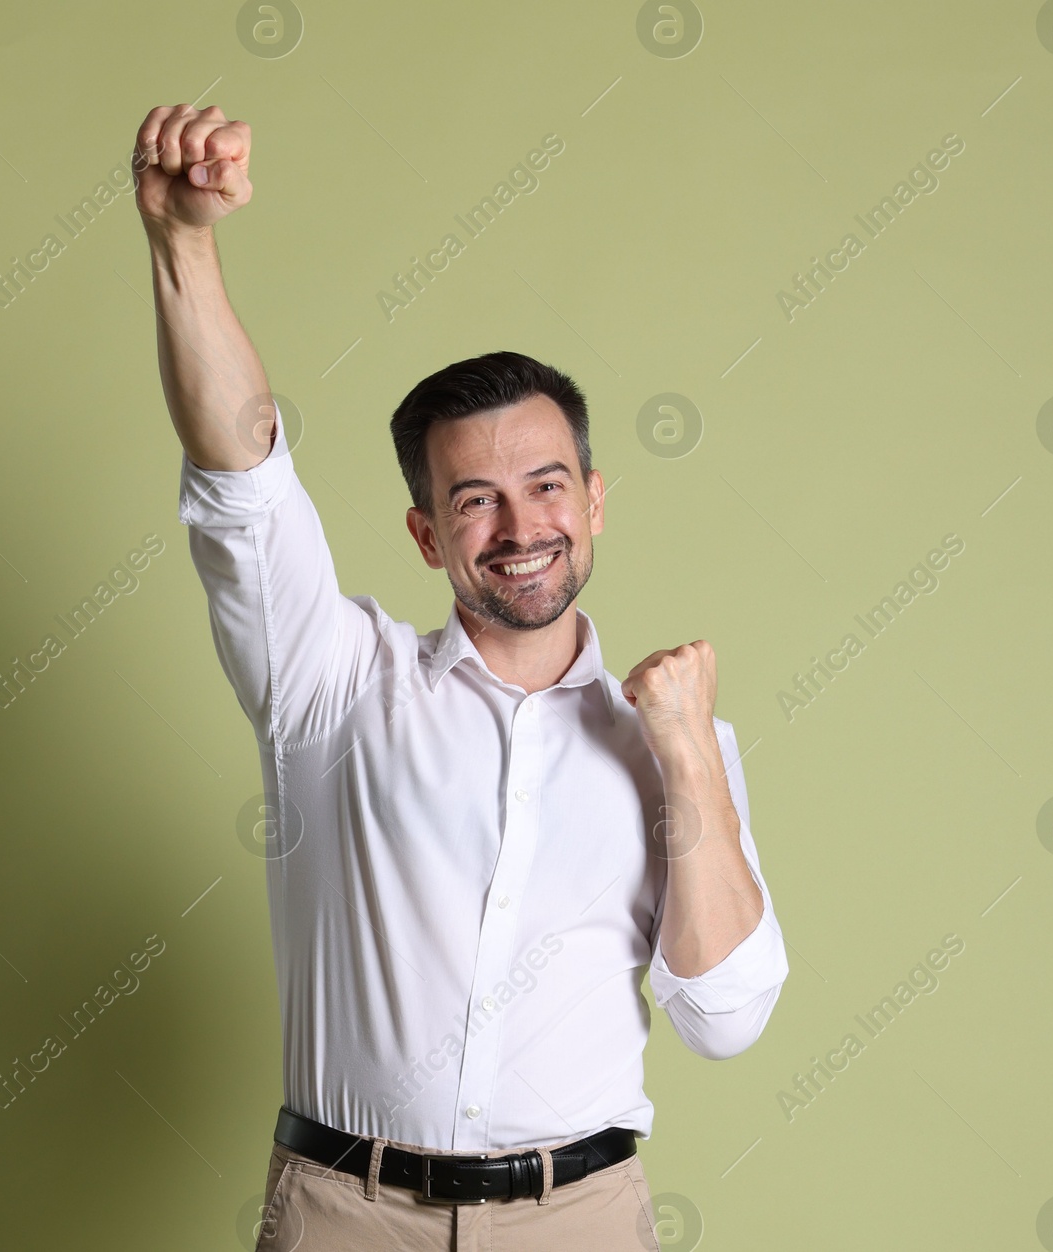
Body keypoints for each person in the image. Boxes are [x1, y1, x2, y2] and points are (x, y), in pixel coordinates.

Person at [133, 102, 789, 1252]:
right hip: (348, 1213)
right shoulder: (330, 685)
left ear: (594, 502)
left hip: (579, 1218)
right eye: (473, 498)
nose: (518, 525)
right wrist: (184, 244)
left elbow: (726, 1017)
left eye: (545, 485)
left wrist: (684, 750)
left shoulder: (679, 743)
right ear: (428, 532)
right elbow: (242, 476)